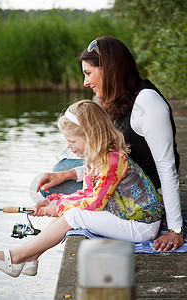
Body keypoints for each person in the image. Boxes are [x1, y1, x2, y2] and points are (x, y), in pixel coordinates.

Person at [36, 36, 184, 252]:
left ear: (109, 69)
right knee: (60, 171)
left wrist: (175, 229)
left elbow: (166, 167)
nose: (85, 82)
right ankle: (39, 244)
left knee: (62, 189)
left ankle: (37, 246)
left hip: (142, 197)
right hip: (120, 179)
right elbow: (108, 160)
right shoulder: (113, 100)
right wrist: (67, 175)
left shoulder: (148, 103)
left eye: (88, 73)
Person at [0, 100, 165, 277]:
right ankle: (30, 258)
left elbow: (95, 203)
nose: (68, 146)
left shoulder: (113, 160)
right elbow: (86, 193)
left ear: (91, 136)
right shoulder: (93, 158)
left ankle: (16, 256)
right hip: (123, 215)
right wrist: (54, 202)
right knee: (69, 211)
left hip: (143, 225)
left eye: (72, 141)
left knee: (73, 215)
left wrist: (58, 208)